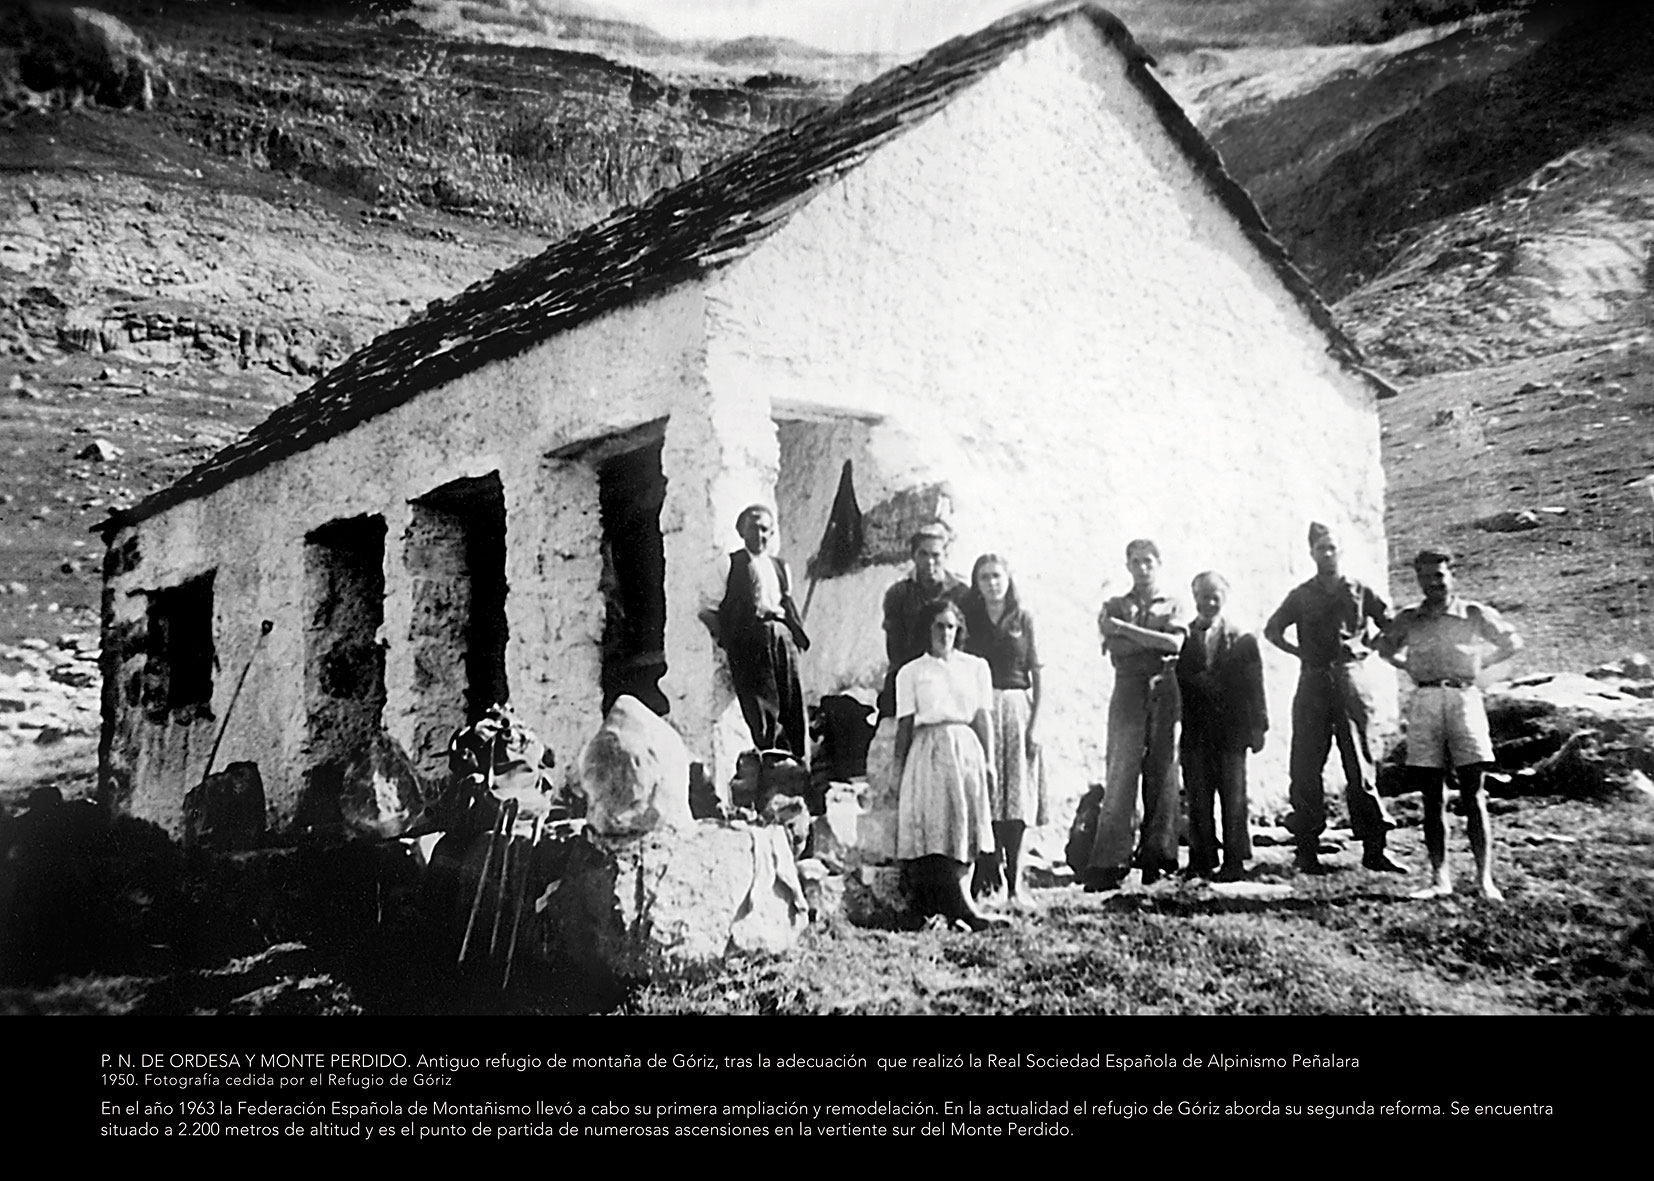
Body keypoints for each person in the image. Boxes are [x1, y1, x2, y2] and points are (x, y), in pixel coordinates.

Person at [1375, 548, 1522, 900]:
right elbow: (1384, 647)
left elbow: (1512, 642)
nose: (1433, 583)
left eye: (1439, 575)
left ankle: (1484, 879)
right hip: (1425, 700)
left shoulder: (1472, 613)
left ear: (1450, 575)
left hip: (1463, 698)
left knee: (1474, 791)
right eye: (1425, 577)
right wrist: (1406, 665)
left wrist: (1481, 662)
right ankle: (1440, 878)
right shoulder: (1410, 617)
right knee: (1431, 795)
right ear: (1419, 580)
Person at [1265, 522, 1406, 875]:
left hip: (1350, 681)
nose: (1326, 554)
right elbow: (1272, 630)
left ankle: (1375, 849)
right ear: (1311, 553)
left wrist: (1367, 647)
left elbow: (1392, 624)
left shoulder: (1359, 589)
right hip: (1312, 682)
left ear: (1341, 551)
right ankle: (1306, 850)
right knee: (1306, 765)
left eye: (1332, 548)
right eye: (1320, 549)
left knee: (1360, 765)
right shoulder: (1301, 595)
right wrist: (1300, 654)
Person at [893, 599, 1001, 931]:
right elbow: (904, 726)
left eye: (951, 626)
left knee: (964, 825)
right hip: (928, 751)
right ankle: (958, 909)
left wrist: (990, 762)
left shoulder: (976, 667)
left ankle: (964, 903)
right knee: (935, 828)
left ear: (960, 630)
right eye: (938, 626)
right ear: (928, 630)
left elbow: (984, 718)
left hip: (966, 749)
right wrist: (898, 771)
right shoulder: (911, 672)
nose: (945, 633)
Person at [1086, 538, 1187, 891]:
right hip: (1127, 688)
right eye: (1136, 562)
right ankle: (1110, 860)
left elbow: (1174, 644)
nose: (1142, 568)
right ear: (1127, 566)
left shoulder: (1173, 604)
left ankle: (1158, 858)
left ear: (1159, 563)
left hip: (1164, 689)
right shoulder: (1115, 603)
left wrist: (1127, 631)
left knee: (1162, 770)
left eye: (1148, 561)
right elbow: (1112, 647)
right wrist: (1149, 640)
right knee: (1121, 769)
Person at [961, 553, 1043, 904]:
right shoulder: (972, 621)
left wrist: (1036, 724)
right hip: (982, 708)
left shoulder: (1023, 619)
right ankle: (989, 878)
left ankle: (1016, 884)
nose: (992, 583)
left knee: (1017, 797)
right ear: (976, 585)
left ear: (1008, 579)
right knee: (989, 795)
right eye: (984, 578)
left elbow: (1037, 673)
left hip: (1017, 708)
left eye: (997, 576)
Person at [1176, 571, 1268, 882]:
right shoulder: (1184, 637)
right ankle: (1201, 858)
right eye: (1203, 596)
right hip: (1197, 731)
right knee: (1199, 795)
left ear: (1224, 598)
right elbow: (1179, 680)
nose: (1209, 602)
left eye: (1215, 596)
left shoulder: (1242, 638)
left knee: (1234, 796)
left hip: (1231, 731)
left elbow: (1255, 686)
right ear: (1195, 598)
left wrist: (1259, 727)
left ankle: (1235, 859)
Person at [716, 505, 810, 762]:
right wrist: (730, 640)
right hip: (752, 636)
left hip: (781, 634)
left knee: (790, 696)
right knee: (762, 700)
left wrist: (797, 635)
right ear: (742, 531)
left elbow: (787, 603)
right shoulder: (731, 563)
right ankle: (769, 754)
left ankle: (794, 759)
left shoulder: (780, 566)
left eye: (766, 529)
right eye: (754, 528)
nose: (761, 535)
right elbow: (716, 607)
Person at [879, 522, 971, 719]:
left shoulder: (962, 594)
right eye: (923, 554)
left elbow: (968, 645)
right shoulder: (899, 594)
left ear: (945, 556)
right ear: (913, 556)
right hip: (910, 677)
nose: (930, 561)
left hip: (951, 680)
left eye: (936, 555)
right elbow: (895, 650)